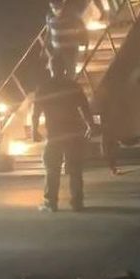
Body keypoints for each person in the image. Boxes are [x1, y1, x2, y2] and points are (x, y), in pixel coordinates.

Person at [31, 55, 94, 212]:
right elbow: (84, 107)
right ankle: (77, 202)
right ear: (65, 68)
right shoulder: (73, 86)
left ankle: (50, 202)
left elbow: (36, 112)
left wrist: (34, 130)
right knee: (75, 168)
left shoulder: (44, 88)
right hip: (73, 132)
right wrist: (90, 125)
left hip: (55, 134)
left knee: (52, 168)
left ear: (50, 68)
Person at [45, 0, 89, 79]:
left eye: (57, 8)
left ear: (62, 6)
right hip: (57, 49)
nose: (55, 10)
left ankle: (70, 84)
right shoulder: (50, 17)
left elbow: (83, 30)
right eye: (53, 8)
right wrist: (45, 47)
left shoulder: (72, 16)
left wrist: (86, 46)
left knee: (70, 70)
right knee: (55, 70)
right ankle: (58, 84)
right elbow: (49, 31)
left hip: (70, 49)